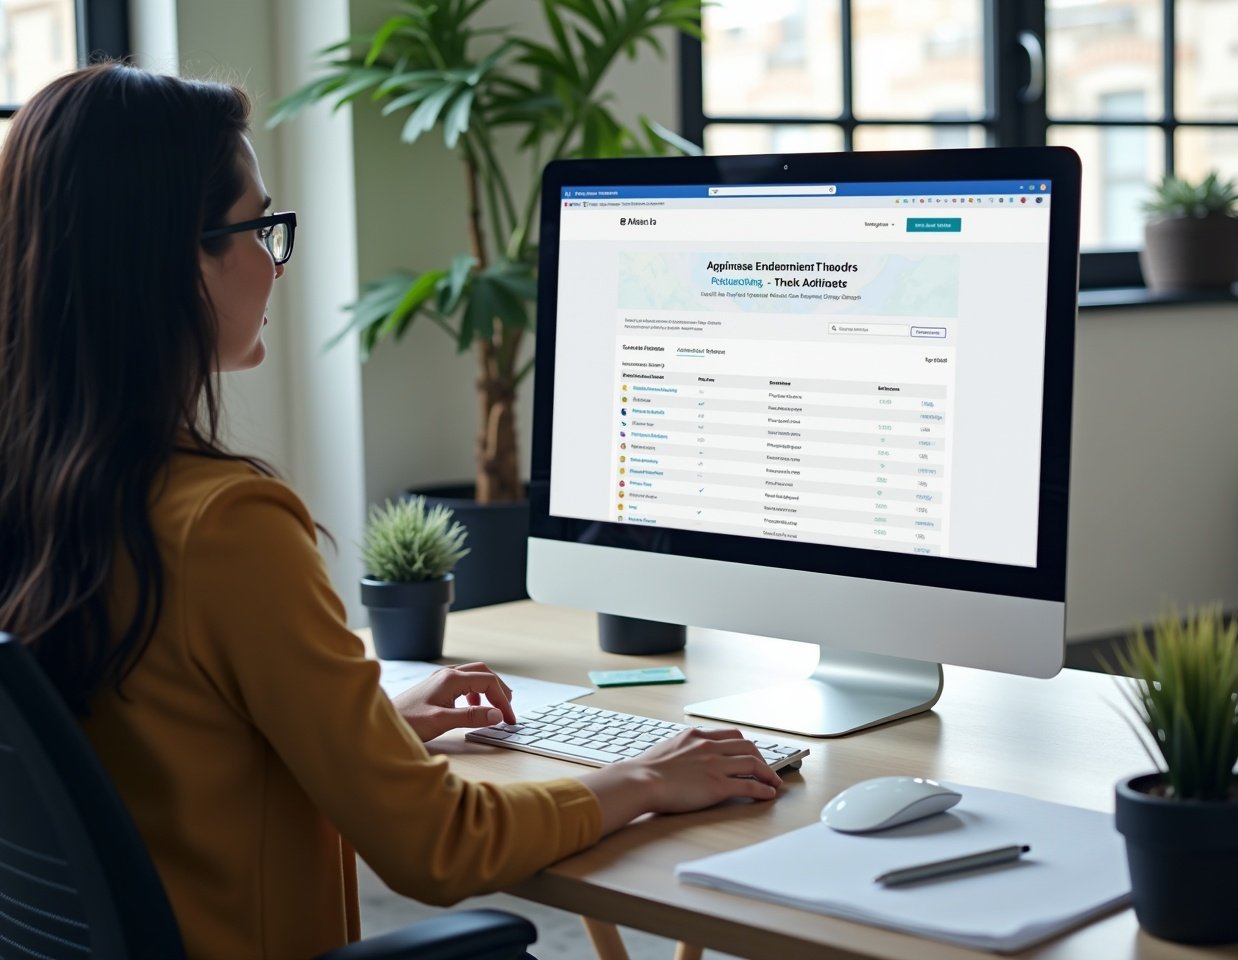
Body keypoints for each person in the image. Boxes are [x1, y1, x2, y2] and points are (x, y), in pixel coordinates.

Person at [0, 64, 782, 960]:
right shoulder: (225, 526)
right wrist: (643, 776)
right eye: (261, 226)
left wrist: (366, 728)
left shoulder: (47, 488)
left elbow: (153, 744)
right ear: (182, 260)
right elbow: (435, 845)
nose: (274, 258)